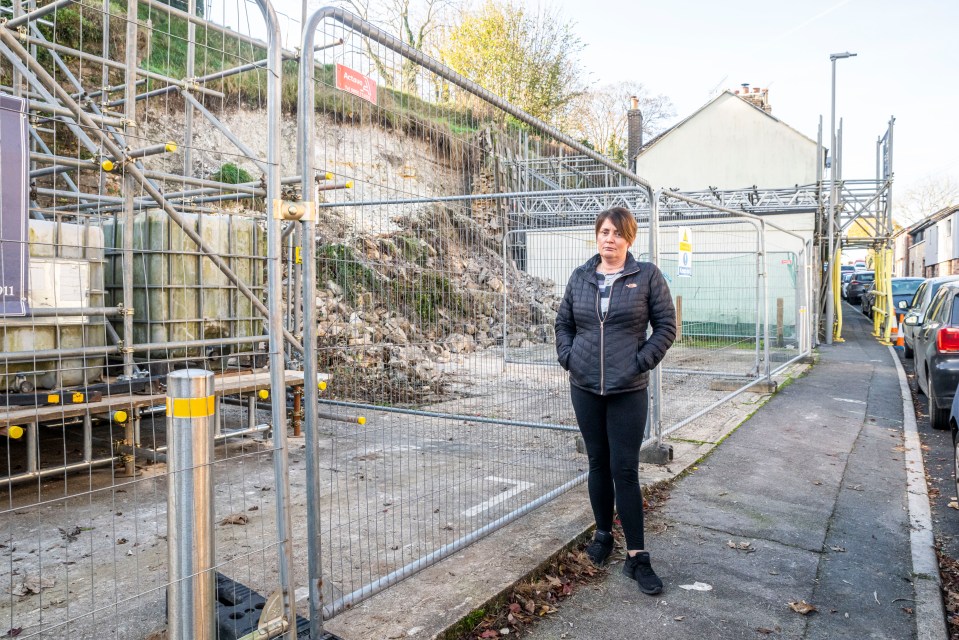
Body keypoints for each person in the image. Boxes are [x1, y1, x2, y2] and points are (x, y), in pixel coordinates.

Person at [554, 206, 676, 595]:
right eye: (604, 232)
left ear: (629, 239)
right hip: (585, 386)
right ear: (597, 236)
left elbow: (666, 327)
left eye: (617, 234)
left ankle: (637, 557)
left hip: (628, 389)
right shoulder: (580, 277)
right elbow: (563, 324)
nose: (609, 239)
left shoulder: (647, 277)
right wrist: (569, 358)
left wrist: (640, 361)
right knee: (597, 463)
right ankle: (603, 537)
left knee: (624, 469)